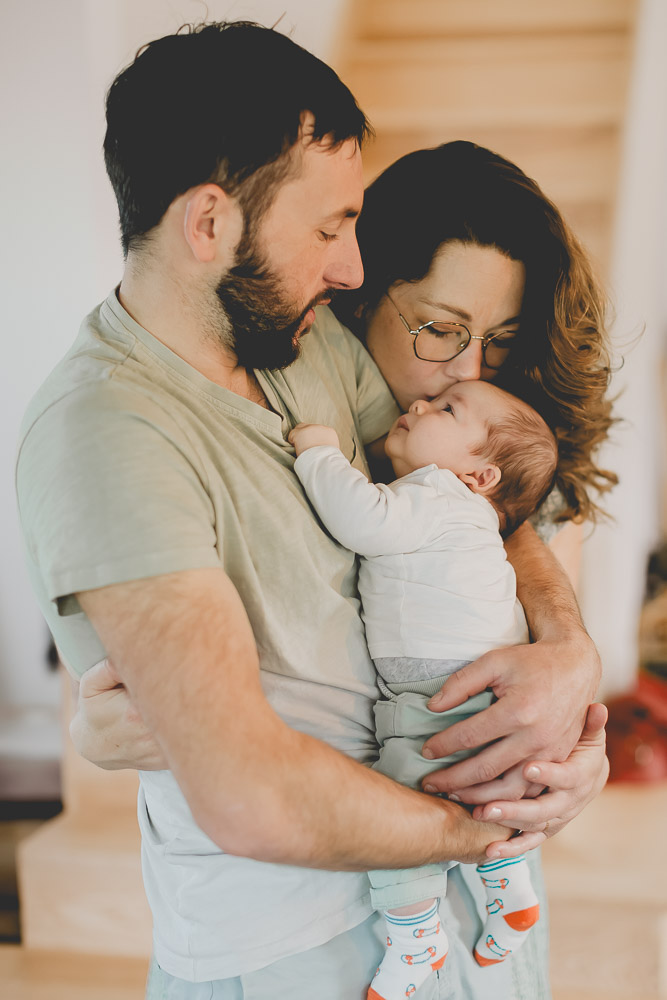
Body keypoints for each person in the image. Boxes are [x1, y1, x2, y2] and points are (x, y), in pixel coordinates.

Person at [16, 21, 609, 1000]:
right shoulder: (104, 434)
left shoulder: (306, 346)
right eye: (329, 227)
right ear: (209, 223)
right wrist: (491, 827)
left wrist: (566, 652)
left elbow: (469, 507)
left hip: (463, 912)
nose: (349, 267)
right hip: (304, 949)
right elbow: (251, 795)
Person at [290, 380, 558, 999]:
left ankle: (416, 941)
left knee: (397, 818)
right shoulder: (467, 514)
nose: (417, 406)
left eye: (446, 410)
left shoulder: (438, 496)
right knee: (478, 797)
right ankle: (510, 889)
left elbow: (362, 520)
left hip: (440, 694)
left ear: (480, 474)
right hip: (466, 691)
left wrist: (318, 452)